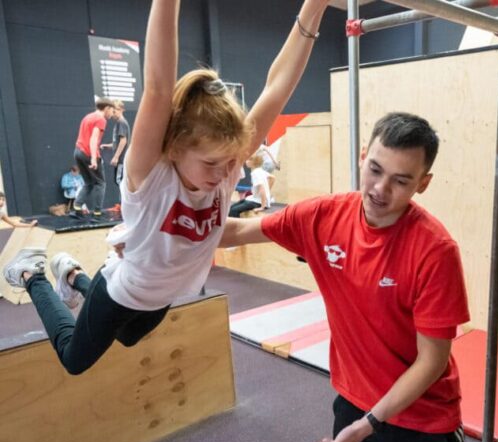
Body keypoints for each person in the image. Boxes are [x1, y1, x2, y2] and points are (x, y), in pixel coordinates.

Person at [3, 0, 331, 375]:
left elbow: (278, 87)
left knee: (128, 339)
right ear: (175, 147)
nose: (224, 173)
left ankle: (73, 274)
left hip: (160, 299)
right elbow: (158, 88)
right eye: (210, 163)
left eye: (229, 162)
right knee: (74, 359)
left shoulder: (224, 169)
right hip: (120, 292)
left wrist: (314, 8)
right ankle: (33, 274)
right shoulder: (151, 176)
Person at [220, 112, 471, 442]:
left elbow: (431, 362)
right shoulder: (323, 217)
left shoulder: (435, 251)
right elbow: (235, 230)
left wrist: (372, 422)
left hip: (424, 413)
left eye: (401, 180)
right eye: (375, 169)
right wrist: (156, 230)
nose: (380, 189)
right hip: (355, 401)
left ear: (423, 184)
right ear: (363, 155)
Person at [72, 97, 115, 219]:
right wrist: (93, 158)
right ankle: (97, 212)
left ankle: (77, 207)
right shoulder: (101, 119)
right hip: (88, 153)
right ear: (107, 108)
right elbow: (94, 138)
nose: (112, 114)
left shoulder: (88, 117)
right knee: (101, 183)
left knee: (89, 183)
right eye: (112, 110)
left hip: (78, 152)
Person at [229, 152, 274, 217]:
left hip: (257, 202)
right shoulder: (260, 170)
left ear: (253, 162)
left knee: (233, 211)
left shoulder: (255, 173)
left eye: (248, 160)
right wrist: (268, 191)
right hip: (253, 199)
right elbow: (273, 178)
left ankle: (237, 226)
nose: (246, 162)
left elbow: (262, 188)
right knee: (231, 208)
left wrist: (262, 207)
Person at [101, 99, 130, 187]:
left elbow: (123, 141)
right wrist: (107, 146)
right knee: (119, 181)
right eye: (111, 111)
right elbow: (117, 142)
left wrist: (116, 157)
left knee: (120, 181)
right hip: (120, 159)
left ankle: (123, 201)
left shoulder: (121, 122)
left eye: (114, 111)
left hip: (121, 160)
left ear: (121, 110)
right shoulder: (119, 123)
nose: (112, 114)